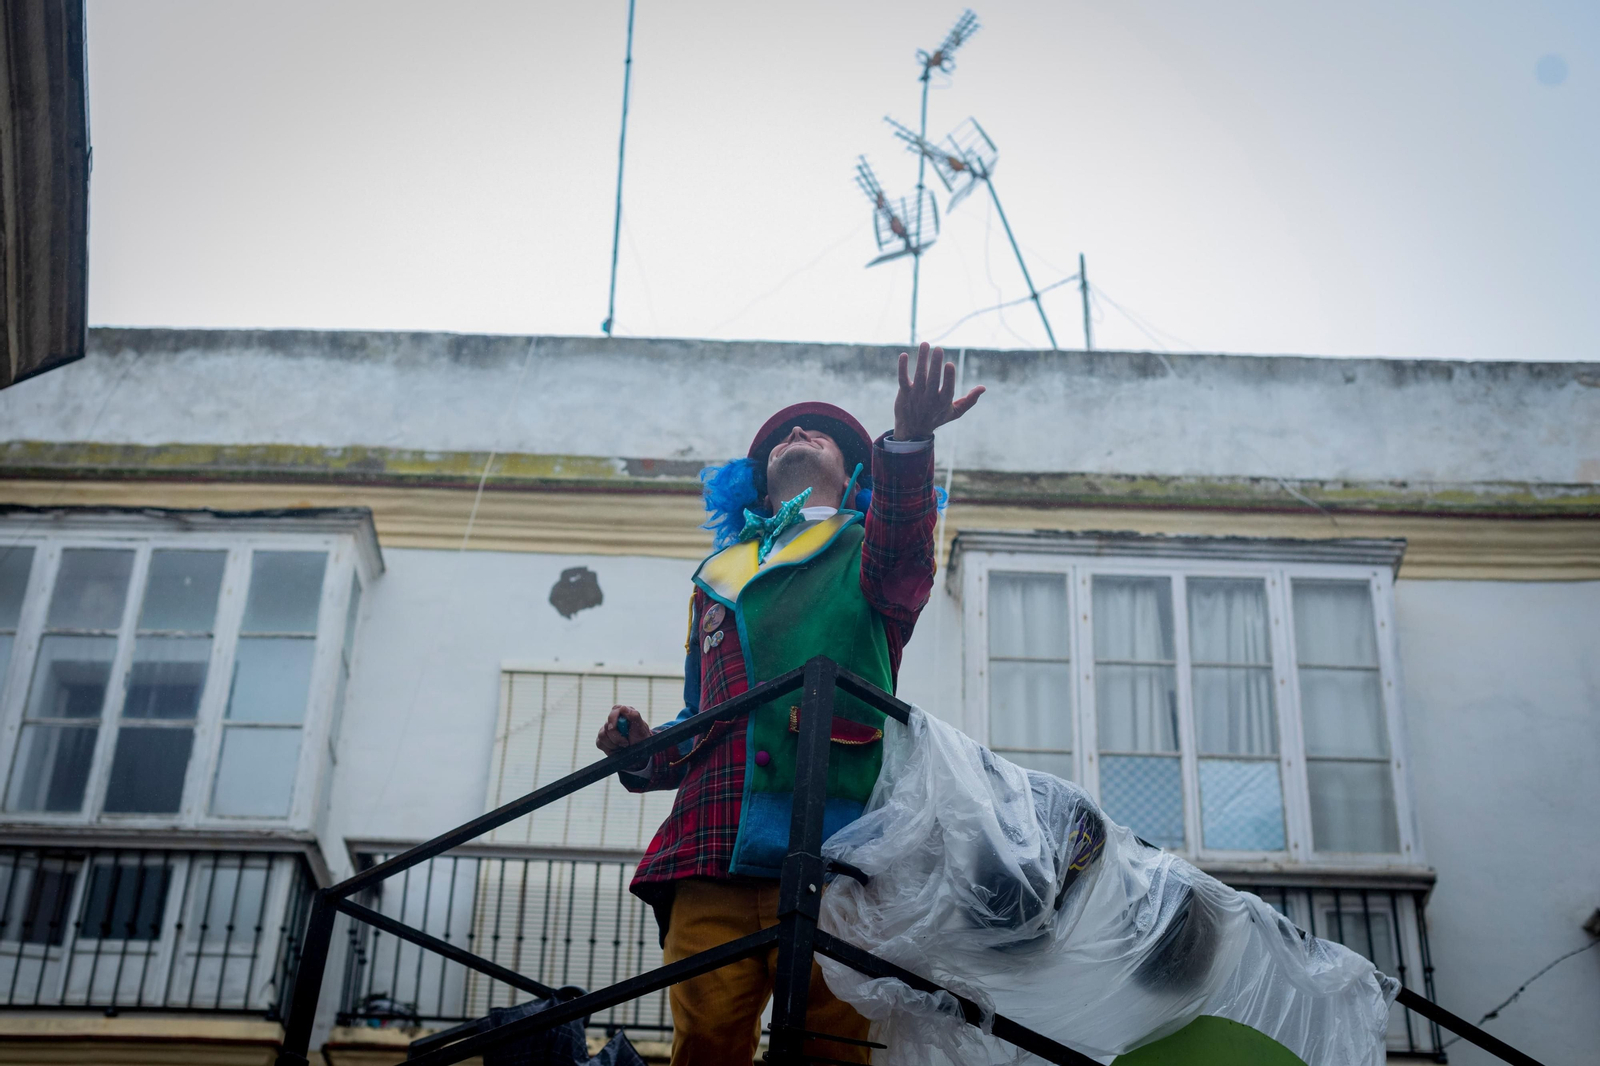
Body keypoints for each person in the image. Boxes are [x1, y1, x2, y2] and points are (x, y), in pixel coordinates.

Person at [594, 343, 983, 1066]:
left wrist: (911, 442)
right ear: (757, 479)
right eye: (781, 437)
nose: (796, 437)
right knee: (704, 1046)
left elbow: (904, 546)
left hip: (836, 847)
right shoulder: (715, 578)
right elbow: (700, 718)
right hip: (711, 850)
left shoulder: (873, 549)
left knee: (829, 1051)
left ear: (854, 471)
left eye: (820, 433)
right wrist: (643, 753)